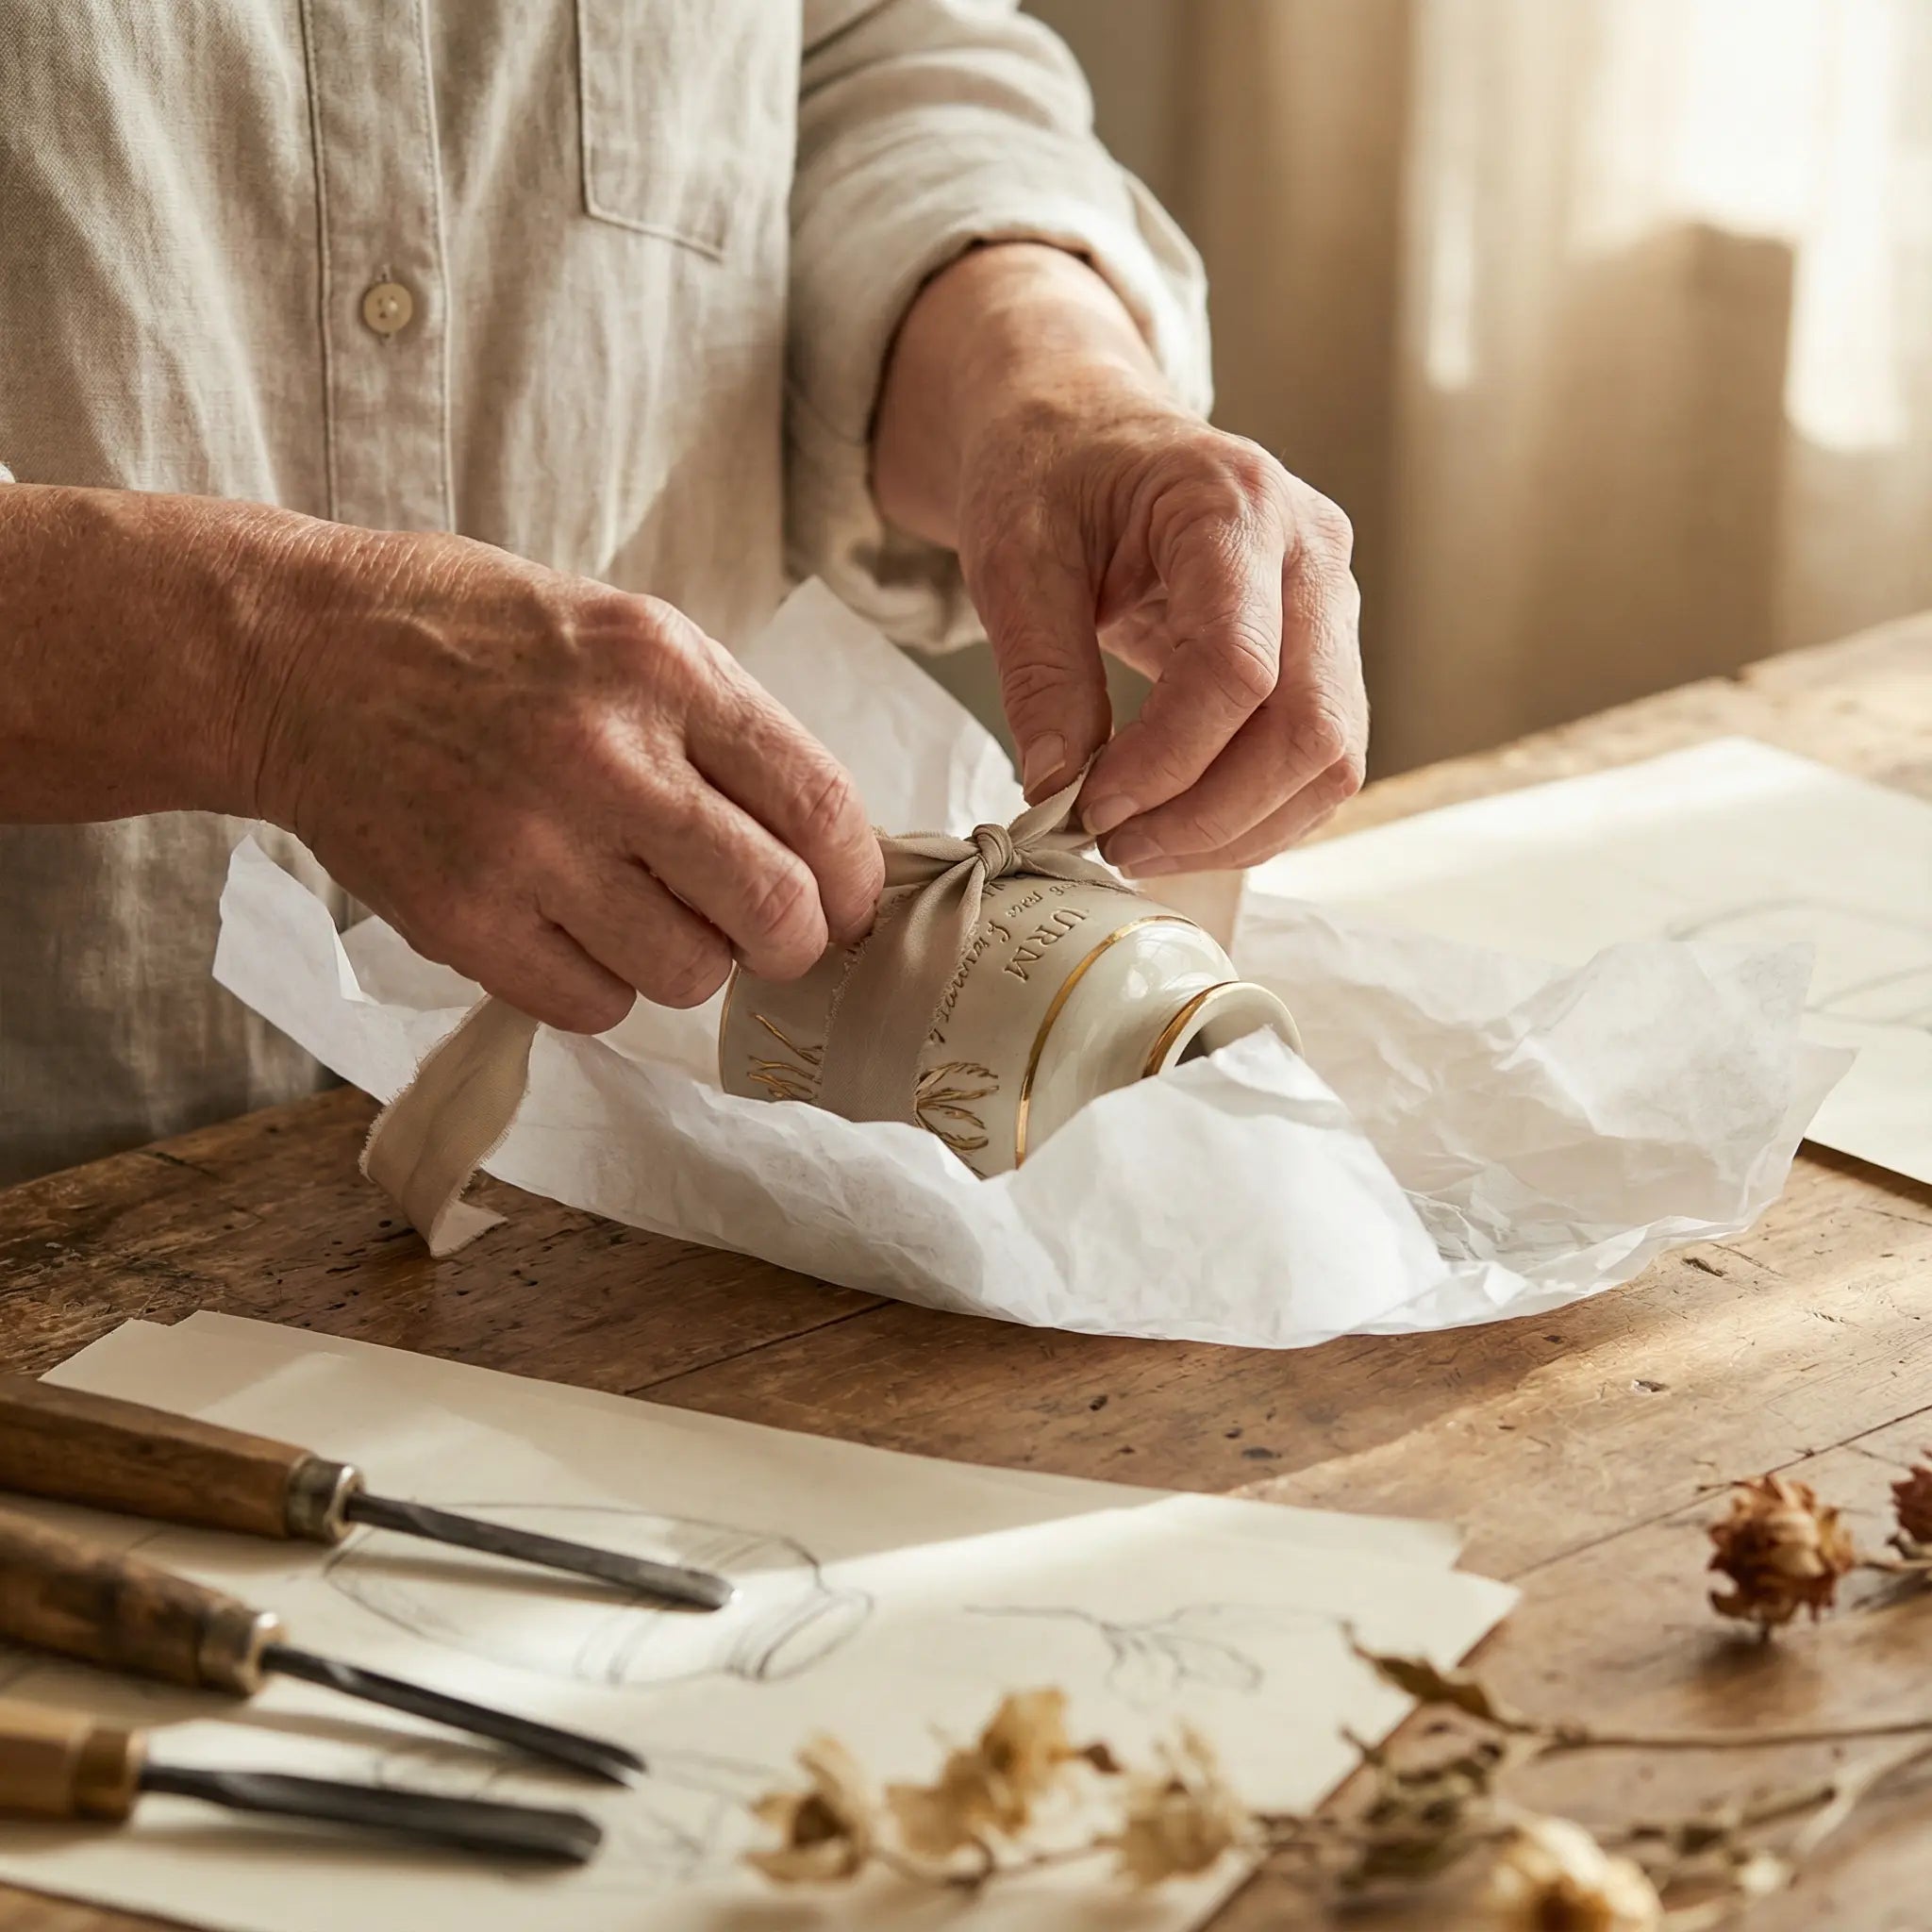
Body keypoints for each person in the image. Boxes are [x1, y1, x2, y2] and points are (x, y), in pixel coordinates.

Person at [0, 1, 1365, 1187]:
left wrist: (1051, 377)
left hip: (662, 1206)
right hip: (54, 1168)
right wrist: (263, 673)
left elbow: (855, 54)